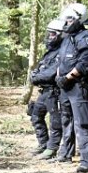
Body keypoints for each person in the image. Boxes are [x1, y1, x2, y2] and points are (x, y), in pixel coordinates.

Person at [53, 2, 88, 172]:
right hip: (64, 87)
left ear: (80, 19)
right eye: (65, 19)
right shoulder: (66, 38)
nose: (67, 22)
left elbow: (85, 63)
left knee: (82, 123)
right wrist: (59, 77)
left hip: (77, 86)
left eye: (70, 19)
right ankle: (66, 153)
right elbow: (61, 60)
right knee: (66, 120)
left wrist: (68, 77)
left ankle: (86, 161)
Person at [29, 17, 65, 158]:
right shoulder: (50, 51)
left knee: (55, 121)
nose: (50, 37)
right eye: (49, 33)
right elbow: (39, 70)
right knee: (35, 115)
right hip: (44, 91)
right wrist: (35, 76)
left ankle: (52, 148)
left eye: (53, 34)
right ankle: (43, 143)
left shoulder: (62, 52)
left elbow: (50, 73)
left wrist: (36, 77)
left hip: (54, 92)